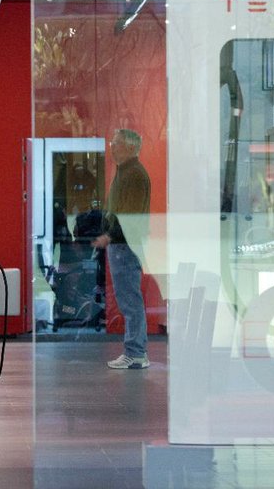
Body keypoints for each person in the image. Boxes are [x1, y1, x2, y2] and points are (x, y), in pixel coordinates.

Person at [92, 128, 151, 369]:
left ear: (129, 147)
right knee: (128, 299)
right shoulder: (127, 172)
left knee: (130, 300)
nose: (111, 147)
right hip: (122, 244)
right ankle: (134, 350)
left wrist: (109, 235)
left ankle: (136, 352)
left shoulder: (134, 175)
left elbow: (129, 214)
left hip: (126, 246)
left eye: (115, 143)